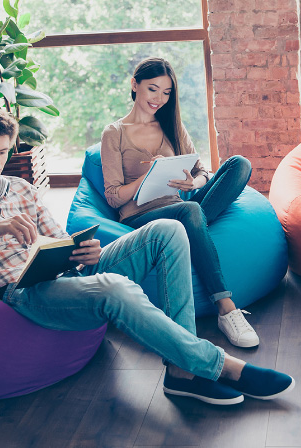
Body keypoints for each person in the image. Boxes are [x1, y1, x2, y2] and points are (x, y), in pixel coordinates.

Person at [0, 105, 294, 406]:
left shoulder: (19, 187)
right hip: (20, 292)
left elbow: (58, 243)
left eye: (3, 152)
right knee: (114, 287)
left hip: (62, 277)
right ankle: (217, 366)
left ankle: (182, 374)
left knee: (170, 229)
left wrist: (82, 251)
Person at [100, 57, 259, 348]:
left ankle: (194, 230)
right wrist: (145, 177)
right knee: (191, 210)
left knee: (240, 164)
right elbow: (112, 196)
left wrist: (193, 183)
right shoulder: (114, 133)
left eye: (167, 92)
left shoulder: (172, 126)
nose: (159, 98)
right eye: (152, 89)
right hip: (142, 216)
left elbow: (203, 172)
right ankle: (226, 307)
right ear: (134, 86)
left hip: (180, 203)